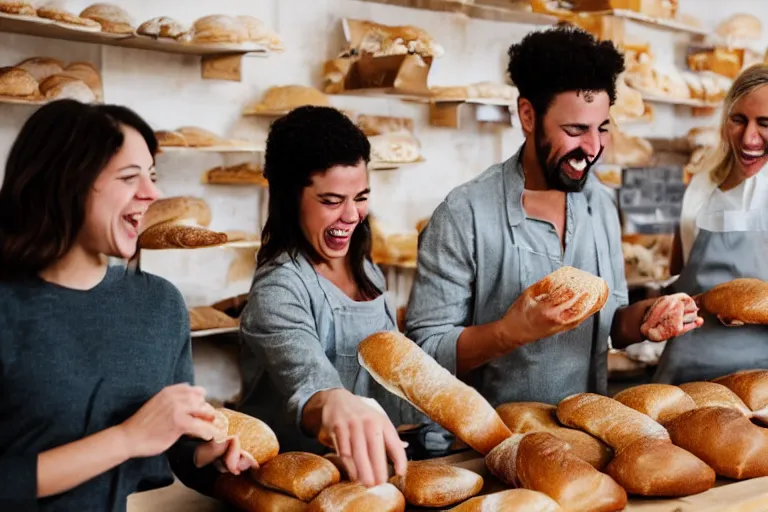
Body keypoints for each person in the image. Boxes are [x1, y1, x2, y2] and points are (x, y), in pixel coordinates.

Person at [404, 26, 703, 411]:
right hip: (489, 445)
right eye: (575, 130)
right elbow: (424, 353)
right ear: (527, 116)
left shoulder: (600, 202)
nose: (593, 148)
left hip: (584, 433)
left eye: (602, 129)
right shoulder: (464, 214)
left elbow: (611, 321)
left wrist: (647, 318)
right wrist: (512, 332)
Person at [0, 100, 254, 511]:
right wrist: (125, 439)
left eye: (152, 176)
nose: (152, 194)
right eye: (129, 177)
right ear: (65, 182)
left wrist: (206, 454)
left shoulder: (159, 305)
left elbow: (173, 449)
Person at [237, 106, 408, 488]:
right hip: (292, 487)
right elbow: (309, 381)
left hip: (366, 481)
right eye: (332, 201)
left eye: (360, 197)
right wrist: (332, 403)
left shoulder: (367, 272)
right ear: (288, 197)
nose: (351, 215)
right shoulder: (279, 289)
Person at [655, 64, 768, 384]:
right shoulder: (699, 188)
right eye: (738, 120)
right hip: (684, 372)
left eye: (765, 123)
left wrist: (748, 305)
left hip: (760, 380)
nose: (749, 137)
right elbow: (679, 275)